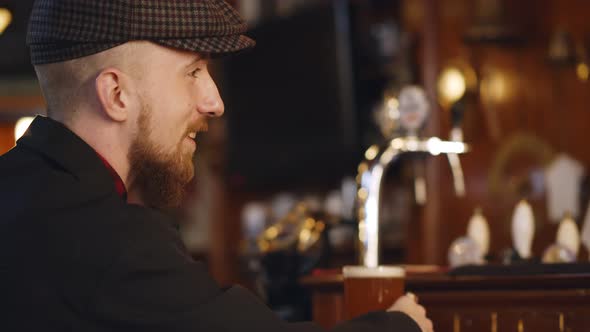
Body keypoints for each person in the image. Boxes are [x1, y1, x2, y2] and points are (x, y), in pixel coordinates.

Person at [0, 1, 433, 331]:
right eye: (192, 72)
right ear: (116, 95)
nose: (215, 102)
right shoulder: (102, 238)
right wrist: (401, 325)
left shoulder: (25, 194)